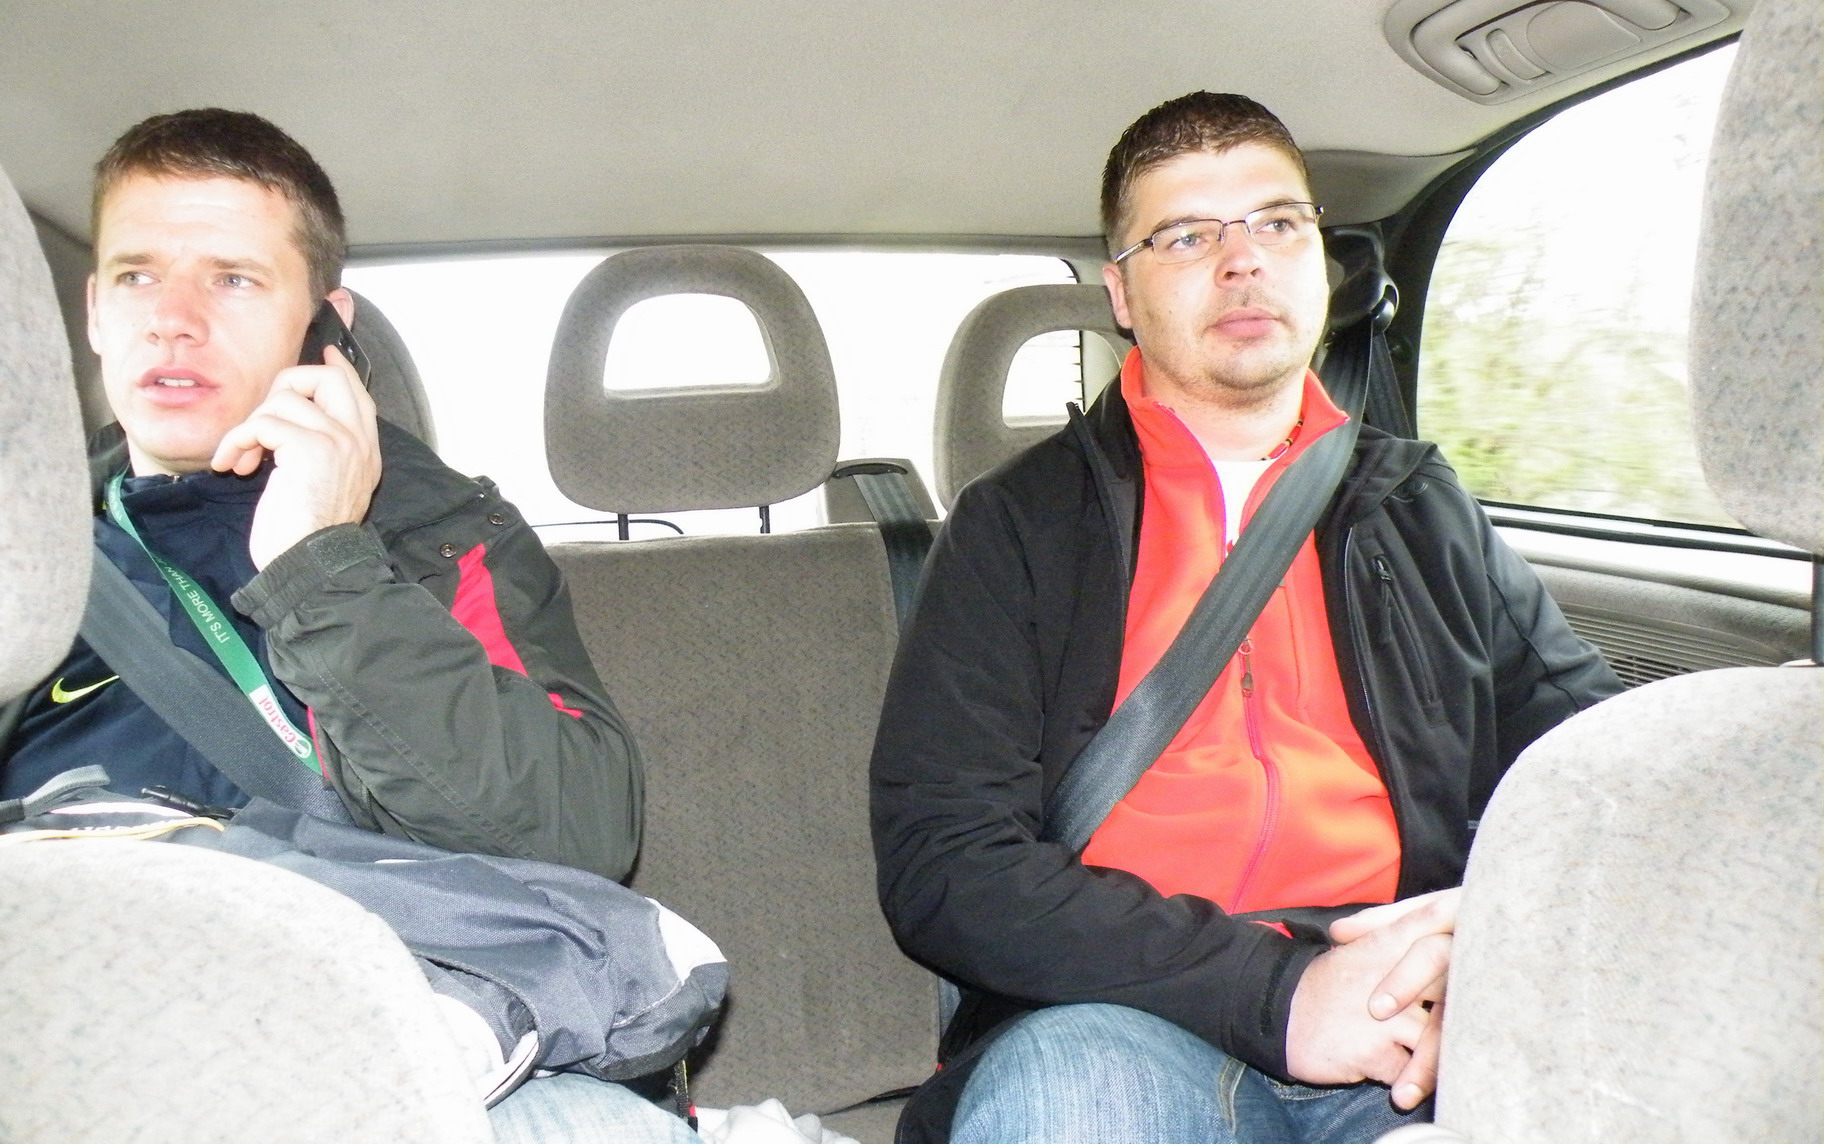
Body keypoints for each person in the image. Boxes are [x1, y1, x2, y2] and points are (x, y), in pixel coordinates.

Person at [870, 92, 1625, 1144]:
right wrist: (1276, 994)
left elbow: (1593, 771)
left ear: (1319, 261)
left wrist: (1480, 937)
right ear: (1121, 293)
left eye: (1278, 223)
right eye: (1186, 236)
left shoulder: (1418, 504)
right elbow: (946, 862)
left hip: (1400, 1008)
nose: (1243, 261)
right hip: (1119, 1019)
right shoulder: (1018, 526)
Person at [0, 108, 690, 1143]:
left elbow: (573, 836)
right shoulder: (30, 553)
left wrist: (321, 564)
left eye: (234, 279)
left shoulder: (443, 536)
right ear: (94, 310)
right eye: (138, 276)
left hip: (383, 1045)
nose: (174, 319)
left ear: (324, 327)